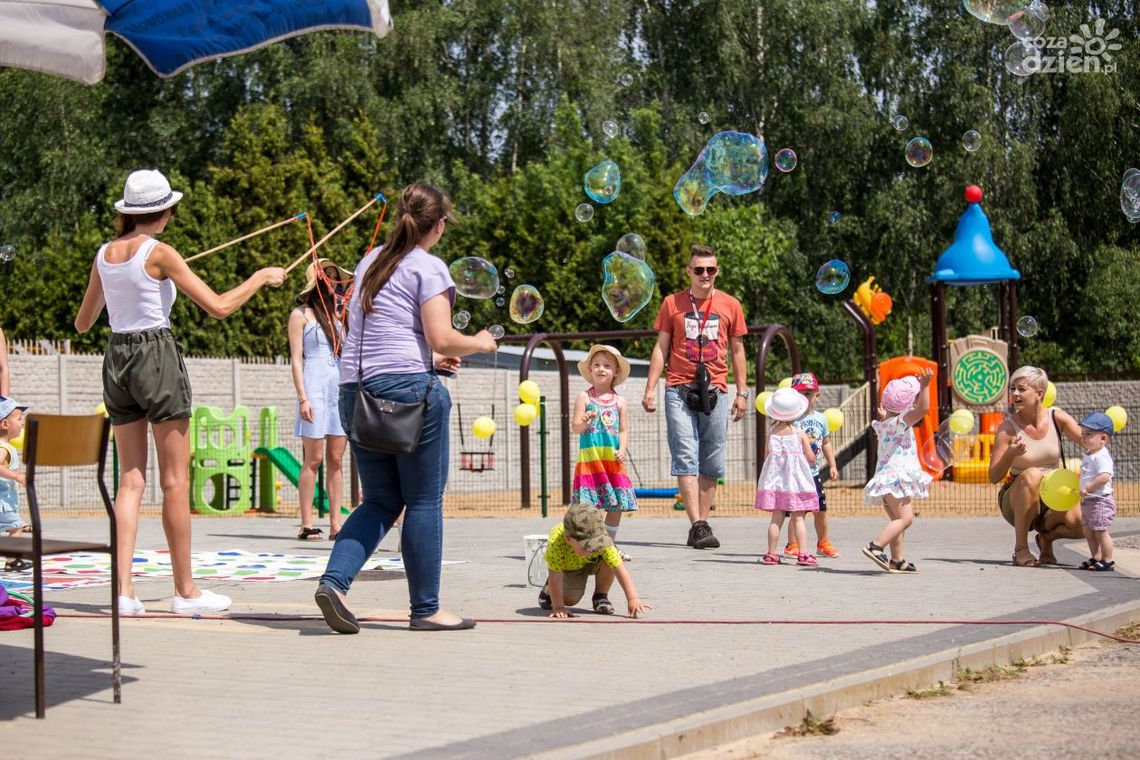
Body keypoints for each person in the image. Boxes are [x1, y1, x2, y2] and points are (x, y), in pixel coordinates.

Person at [75, 169, 287, 615]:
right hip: (155, 356)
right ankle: (185, 592)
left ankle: (123, 593)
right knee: (174, 481)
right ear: (164, 211)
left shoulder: (104, 254)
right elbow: (219, 307)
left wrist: (127, 286)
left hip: (116, 359)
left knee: (130, 480)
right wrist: (260, 277)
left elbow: (83, 323)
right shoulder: (161, 252)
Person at [313, 183, 495, 635]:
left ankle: (334, 584)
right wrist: (480, 343)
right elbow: (442, 337)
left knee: (380, 499)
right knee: (423, 500)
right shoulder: (427, 267)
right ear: (439, 225)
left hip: (356, 391)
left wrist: (430, 358)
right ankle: (426, 608)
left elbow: (382, 332)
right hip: (410, 394)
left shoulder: (371, 259)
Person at [642, 244, 749, 550]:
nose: (705, 274)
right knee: (685, 454)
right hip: (678, 388)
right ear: (688, 272)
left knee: (712, 459)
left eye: (710, 269)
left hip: (717, 389)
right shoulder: (671, 303)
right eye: (699, 269)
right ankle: (698, 525)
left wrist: (742, 392)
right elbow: (661, 347)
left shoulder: (731, 304)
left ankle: (700, 524)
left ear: (717, 272)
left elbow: (738, 350)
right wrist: (650, 388)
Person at [988, 366, 1084, 567]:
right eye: (1012, 388)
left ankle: (1046, 538)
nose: (1015, 394)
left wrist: (1103, 434)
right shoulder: (1007, 428)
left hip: (1052, 495)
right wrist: (1010, 454)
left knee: (1084, 525)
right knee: (1032, 474)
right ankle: (1021, 549)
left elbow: (1088, 442)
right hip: (1017, 497)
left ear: (1039, 394)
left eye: (1021, 389)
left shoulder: (1057, 418)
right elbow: (994, 476)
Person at [288, 258, 353, 541]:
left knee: (336, 458)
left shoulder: (340, 318)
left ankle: (336, 524)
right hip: (313, 389)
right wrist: (302, 397)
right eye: (327, 276)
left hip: (338, 389)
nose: (332, 282)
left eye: (334, 277)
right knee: (313, 458)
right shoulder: (300, 315)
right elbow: (296, 359)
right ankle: (306, 524)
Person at [860, 371, 933, 574]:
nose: (916, 402)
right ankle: (875, 546)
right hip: (895, 481)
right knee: (906, 519)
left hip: (885, 481)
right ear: (908, 404)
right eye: (914, 399)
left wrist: (886, 416)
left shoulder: (884, 423)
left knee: (897, 521)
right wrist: (925, 385)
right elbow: (923, 409)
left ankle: (897, 561)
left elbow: (892, 426)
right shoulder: (901, 422)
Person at [570, 344, 637, 559]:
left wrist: (622, 449)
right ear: (590, 370)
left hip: (611, 461)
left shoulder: (620, 402)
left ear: (615, 372)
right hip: (591, 461)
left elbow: (624, 430)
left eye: (607, 366)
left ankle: (609, 546)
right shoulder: (584, 398)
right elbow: (576, 427)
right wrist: (585, 421)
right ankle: (590, 547)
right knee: (589, 507)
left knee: (616, 506)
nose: (601, 369)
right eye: (597, 365)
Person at [538, 505, 650, 618]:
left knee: (611, 559)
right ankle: (549, 591)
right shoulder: (556, 538)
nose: (592, 550)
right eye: (586, 546)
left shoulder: (601, 537)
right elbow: (555, 576)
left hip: (595, 563)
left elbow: (619, 568)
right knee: (570, 599)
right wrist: (558, 607)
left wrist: (632, 598)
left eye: (595, 545)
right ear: (568, 538)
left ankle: (600, 596)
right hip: (570, 568)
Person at [755, 388, 819, 566]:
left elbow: (767, 456)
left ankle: (771, 553)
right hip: (796, 484)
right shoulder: (799, 433)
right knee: (798, 518)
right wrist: (813, 452)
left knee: (776, 518)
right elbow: (811, 459)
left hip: (777, 483)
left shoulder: (772, 433)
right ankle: (803, 554)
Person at [783, 372, 840, 558]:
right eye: (799, 394)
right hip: (795, 474)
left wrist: (832, 465)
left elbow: (826, 443)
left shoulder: (821, 419)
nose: (803, 397)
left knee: (820, 510)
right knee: (797, 511)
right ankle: (792, 544)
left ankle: (823, 542)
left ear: (817, 395)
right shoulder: (789, 419)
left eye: (807, 393)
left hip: (814, 473)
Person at [1077, 412, 1116, 572]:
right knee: (1088, 531)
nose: (1084, 437)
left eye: (1089, 434)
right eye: (1083, 433)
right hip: (1089, 501)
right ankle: (1096, 557)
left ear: (1103, 438)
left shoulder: (1101, 456)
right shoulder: (1090, 454)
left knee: (1101, 531)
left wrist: (1087, 488)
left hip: (1100, 501)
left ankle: (1108, 560)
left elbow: (1104, 477)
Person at [0, 396, 30, 573]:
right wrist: (17, 476)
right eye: (19, 419)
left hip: (4, 502)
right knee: (16, 526)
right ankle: (12, 561)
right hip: (3, 504)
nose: (22, 423)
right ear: (5, 424)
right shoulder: (3, 448)